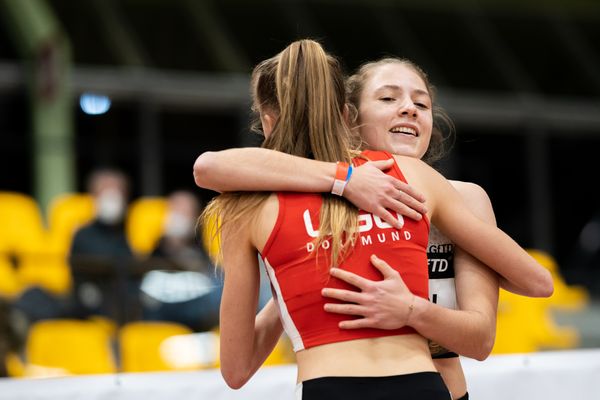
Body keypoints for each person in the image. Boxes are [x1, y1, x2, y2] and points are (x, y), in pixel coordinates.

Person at [199, 39, 552, 399]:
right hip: (419, 385)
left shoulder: (448, 190)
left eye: (422, 103)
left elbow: (514, 305)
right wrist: (344, 182)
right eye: (388, 98)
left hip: (377, 385)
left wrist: (410, 309)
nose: (409, 110)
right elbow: (210, 167)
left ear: (268, 121)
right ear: (348, 117)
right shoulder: (409, 178)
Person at [139, 190, 223, 332]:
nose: (179, 217)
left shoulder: (204, 257)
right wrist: (170, 247)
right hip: (158, 318)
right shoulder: (150, 255)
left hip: (196, 322)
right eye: (175, 210)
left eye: (186, 212)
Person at [68, 168, 139, 323]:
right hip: (92, 305)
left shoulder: (133, 233)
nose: (112, 197)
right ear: (94, 196)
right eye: (106, 191)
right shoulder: (82, 235)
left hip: (127, 305)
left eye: (117, 191)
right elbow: (78, 277)